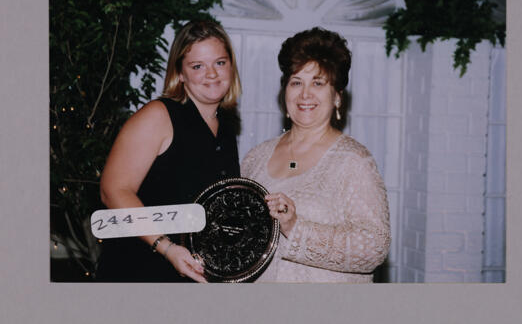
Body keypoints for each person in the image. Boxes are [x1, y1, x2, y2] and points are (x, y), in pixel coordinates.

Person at [96, 20, 242, 282]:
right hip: (139, 270)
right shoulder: (158, 115)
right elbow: (112, 191)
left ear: (231, 66)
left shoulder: (226, 127)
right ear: (180, 73)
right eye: (198, 66)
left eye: (219, 63)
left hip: (193, 276)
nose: (211, 74)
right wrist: (167, 248)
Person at [241, 27, 390, 283]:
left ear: (337, 98)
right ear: (284, 91)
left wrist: (295, 228)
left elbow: (374, 248)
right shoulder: (255, 157)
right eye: (296, 82)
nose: (305, 94)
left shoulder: (354, 161)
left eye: (318, 83)